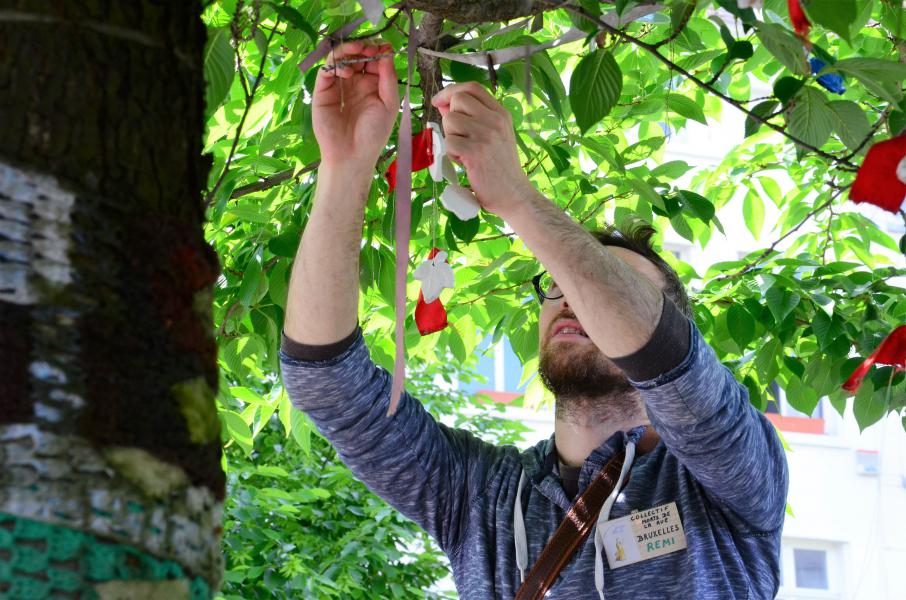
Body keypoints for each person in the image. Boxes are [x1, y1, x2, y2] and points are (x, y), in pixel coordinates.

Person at [280, 41, 788, 599]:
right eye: (558, 284)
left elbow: (672, 362)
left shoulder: (728, 473)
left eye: (606, 286)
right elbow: (328, 384)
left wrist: (517, 197)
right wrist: (345, 166)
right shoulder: (480, 497)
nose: (569, 295)